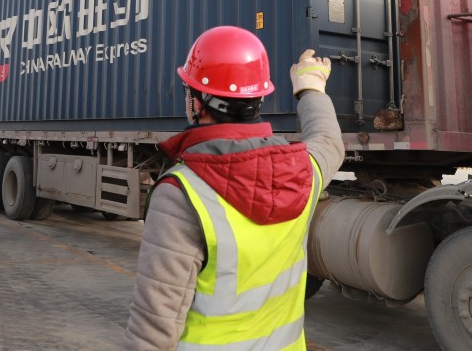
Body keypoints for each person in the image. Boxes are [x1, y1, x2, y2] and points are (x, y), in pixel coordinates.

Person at [123, 26, 344, 350]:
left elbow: (153, 332)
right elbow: (328, 142)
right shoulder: (302, 173)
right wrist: (311, 89)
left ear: (197, 103)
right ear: (258, 98)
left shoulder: (182, 194)